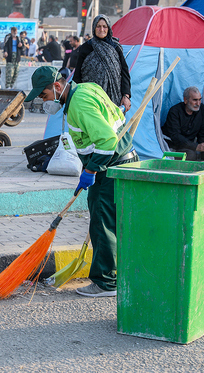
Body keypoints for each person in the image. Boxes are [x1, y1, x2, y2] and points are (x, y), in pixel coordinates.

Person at [25, 66, 138, 297]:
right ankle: (122, 275)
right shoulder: (88, 89)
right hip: (124, 162)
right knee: (116, 224)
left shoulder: (79, 103)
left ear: (57, 87)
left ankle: (106, 283)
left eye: (44, 96)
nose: (43, 102)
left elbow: (106, 140)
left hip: (110, 168)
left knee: (102, 225)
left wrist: (90, 170)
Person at [74, 14, 131, 111]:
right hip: (90, 99)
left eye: (105, 26)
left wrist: (126, 96)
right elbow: (77, 76)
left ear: (108, 28)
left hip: (114, 99)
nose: (101, 29)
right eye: (98, 26)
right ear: (94, 28)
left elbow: (124, 72)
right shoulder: (86, 48)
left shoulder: (115, 48)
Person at [162, 86, 204, 162]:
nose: (198, 103)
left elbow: (203, 132)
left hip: (189, 145)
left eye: (199, 100)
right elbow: (175, 136)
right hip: (173, 145)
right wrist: (196, 146)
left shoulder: (201, 109)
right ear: (185, 100)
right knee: (190, 155)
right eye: (195, 100)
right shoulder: (175, 111)